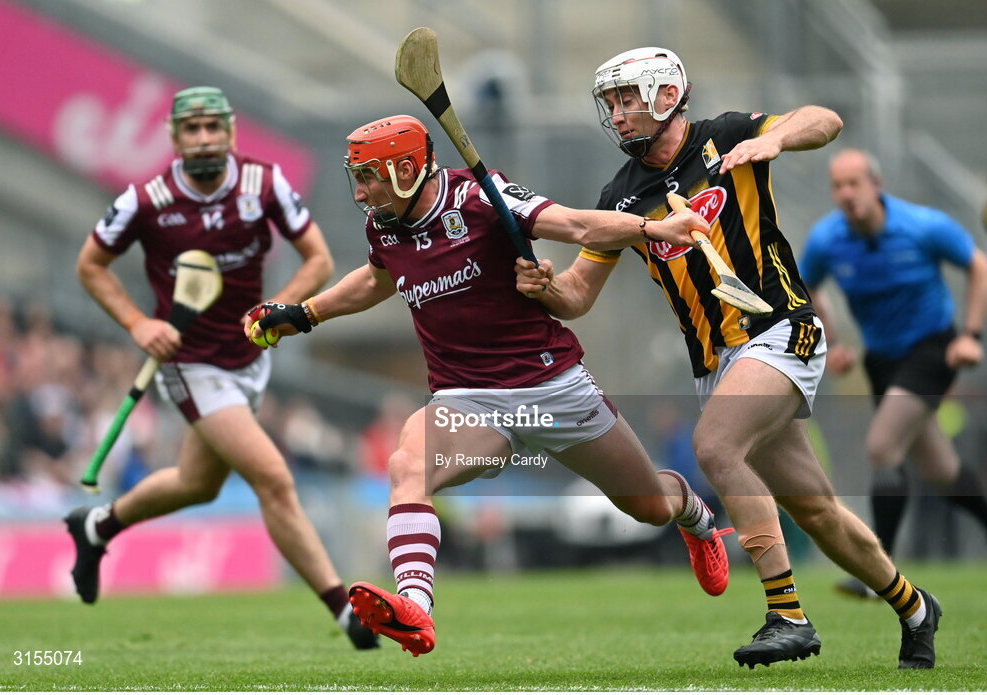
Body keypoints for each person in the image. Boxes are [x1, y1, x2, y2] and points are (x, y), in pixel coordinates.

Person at [514, 47, 942, 669]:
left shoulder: (728, 137)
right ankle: (915, 607)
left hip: (782, 330)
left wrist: (776, 142)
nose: (618, 115)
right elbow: (577, 294)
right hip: (715, 363)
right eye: (610, 103)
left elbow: (825, 119)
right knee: (818, 510)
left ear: (666, 94)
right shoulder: (622, 197)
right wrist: (544, 288)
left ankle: (787, 614)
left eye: (627, 99)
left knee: (715, 447)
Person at [249, 114, 734, 658]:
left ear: (407, 169)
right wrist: (306, 313)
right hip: (467, 399)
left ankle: (694, 513)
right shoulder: (382, 224)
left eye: (370, 177)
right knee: (408, 465)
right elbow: (377, 278)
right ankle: (416, 608)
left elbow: (574, 225)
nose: (360, 192)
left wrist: (652, 228)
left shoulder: (483, 196)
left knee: (648, 506)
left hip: (553, 386)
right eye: (355, 177)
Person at [66, 86, 377, 650]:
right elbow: (92, 265)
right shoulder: (148, 200)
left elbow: (320, 260)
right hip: (190, 363)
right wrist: (138, 324)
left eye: (214, 127)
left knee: (196, 485)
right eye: (193, 129)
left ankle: (95, 526)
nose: (205, 138)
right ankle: (344, 611)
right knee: (275, 480)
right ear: (175, 138)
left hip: (247, 359)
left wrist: (277, 309)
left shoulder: (264, 184)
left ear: (231, 132)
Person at [800, 148, 987, 599]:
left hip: (932, 350)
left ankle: (877, 572)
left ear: (875, 185)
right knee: (940, 469)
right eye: (837, 186)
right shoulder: (827, 240)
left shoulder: (923, 226)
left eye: (854, 183)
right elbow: (805, 285)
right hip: (881, 361)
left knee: (882, 448)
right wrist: (835, 340)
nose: (846, 194)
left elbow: (978, 266)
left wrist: (971, 336)